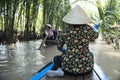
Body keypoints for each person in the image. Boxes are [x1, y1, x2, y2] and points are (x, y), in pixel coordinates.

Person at [46, 5, 100, 77]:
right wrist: (95, 28)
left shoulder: (66, 31)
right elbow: (96, 36)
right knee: (91, 54)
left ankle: (59, 70)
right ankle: (88, 65)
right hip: (86, 69)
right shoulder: (88, 28)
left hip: (68, 68)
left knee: (56, 58)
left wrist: (65, 51)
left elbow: (59, 47)